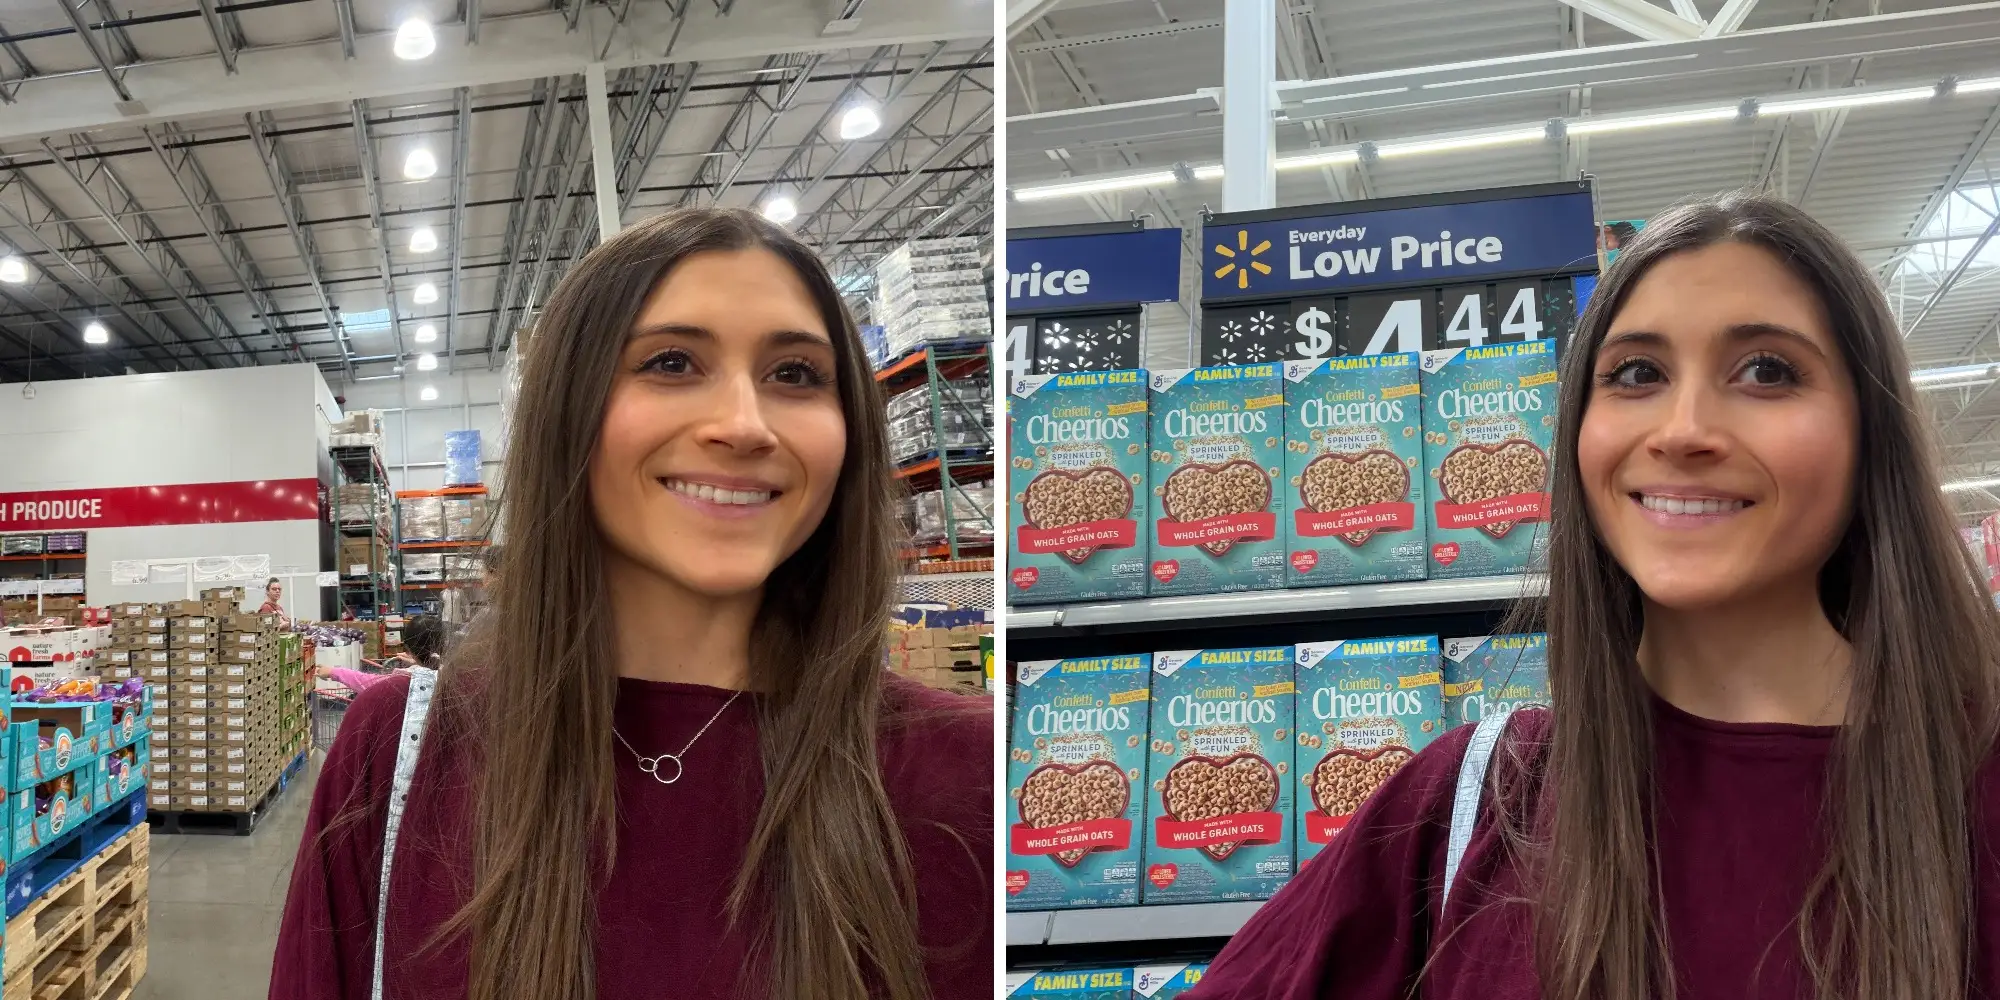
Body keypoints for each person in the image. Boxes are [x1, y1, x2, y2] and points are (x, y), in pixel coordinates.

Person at [1187, 192, 2000, 1000]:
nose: (1682, 430)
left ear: (1869, 434)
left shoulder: (1977, 793)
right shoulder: (1469, 802)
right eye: (1637, 373)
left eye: (1767, 371)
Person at [271, 208, 993, 1000]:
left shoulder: (972, 777)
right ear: (567, 415)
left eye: (795, 374)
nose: (744, 425)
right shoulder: (405, 757)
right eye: (674, 362)